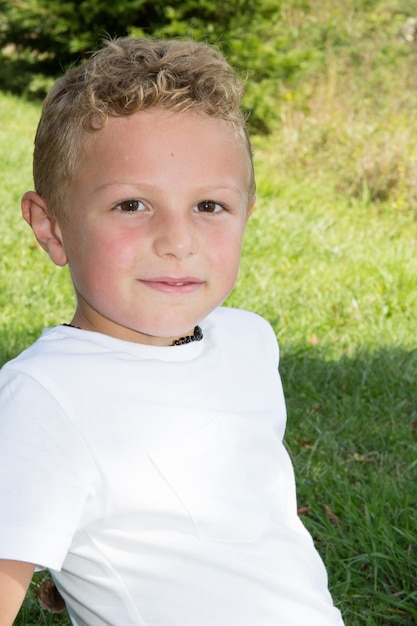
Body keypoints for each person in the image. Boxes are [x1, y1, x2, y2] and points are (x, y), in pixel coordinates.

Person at [0, 37, 344, 626]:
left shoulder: (248, 341)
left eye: (209, 206)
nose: (178, 241)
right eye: (132, 205)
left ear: (247, 215)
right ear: (52, 227)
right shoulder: (46, 396)